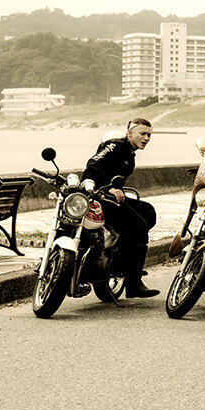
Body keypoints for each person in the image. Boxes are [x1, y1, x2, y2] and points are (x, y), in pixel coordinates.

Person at [82, 117, 159, 298]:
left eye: (149, 135)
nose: (146, 138)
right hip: (99, 197)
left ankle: (122, 255)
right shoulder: (115, 146)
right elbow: (93, 165)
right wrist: (108, 187)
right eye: (142, 133)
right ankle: (133, 283)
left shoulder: (130, 154)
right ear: (129, 133)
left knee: (148, 212)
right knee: (138, 226)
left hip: (111, 197)